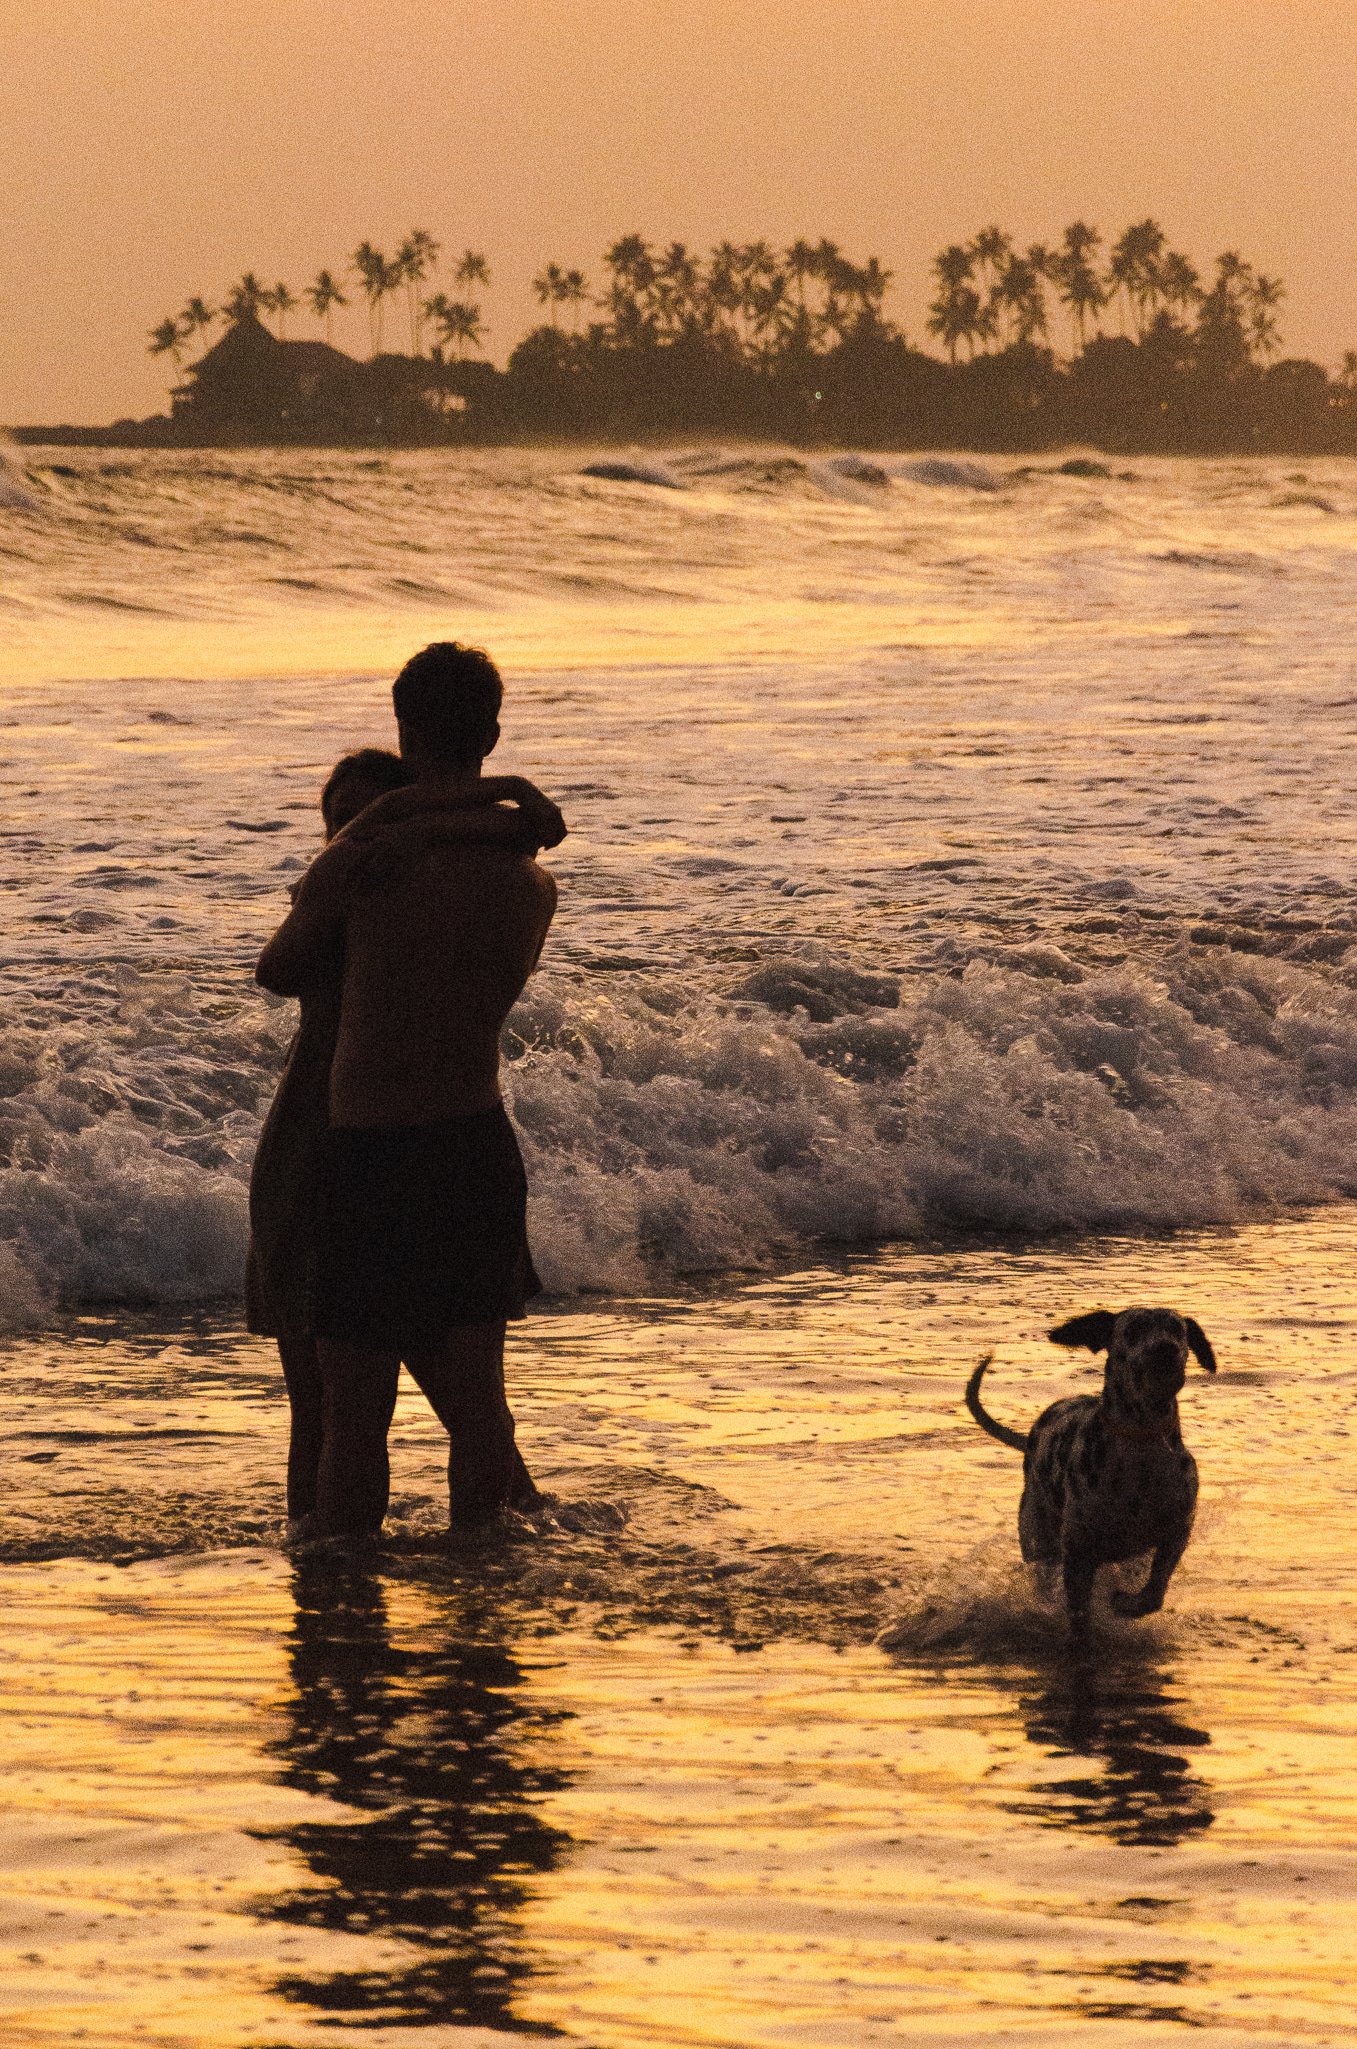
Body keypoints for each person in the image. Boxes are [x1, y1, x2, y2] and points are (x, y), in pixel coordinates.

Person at [255, 644, 562, 1536]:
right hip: (475, 1142)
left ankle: (342, 1612)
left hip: (372, 1150)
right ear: (491, 731)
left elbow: (278, 967)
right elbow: (513, 839)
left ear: (403, 729)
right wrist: (509, 792)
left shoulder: (365, 868)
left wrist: (389, 816)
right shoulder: (529, 882)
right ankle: (479, 1596)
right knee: (478, 1412)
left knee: (354, 1421)